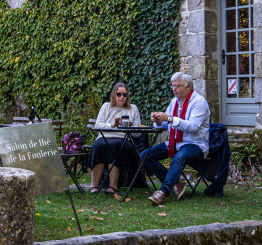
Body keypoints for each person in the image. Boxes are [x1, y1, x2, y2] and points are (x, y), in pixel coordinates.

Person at [143, 72, 210, 204]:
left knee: (180, 156)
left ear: (188, 86)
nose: (174, 89)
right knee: (145, 155)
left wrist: (169, 118)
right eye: (172, 86)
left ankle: (163, 192)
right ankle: (176, 184)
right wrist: (157, 120)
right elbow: (165, 123)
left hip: (196, 144)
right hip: (175, 142)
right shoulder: (174, 102)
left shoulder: (199, 102)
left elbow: (193, 126)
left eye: (177, 86)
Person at [89, 82, 141, 195]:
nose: (122, 97)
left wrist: (131, 127)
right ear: (114, 95)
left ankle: (113, 186)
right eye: (119, 94)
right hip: (105, 136)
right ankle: (94, 185)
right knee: (98, 146)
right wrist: (113, 125)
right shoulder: (106, 106)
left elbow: (137, 135)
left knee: (116, 146)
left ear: (128, 96)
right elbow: (98, 126)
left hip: (123, 138)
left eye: (124, 94)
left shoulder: (133, 109)